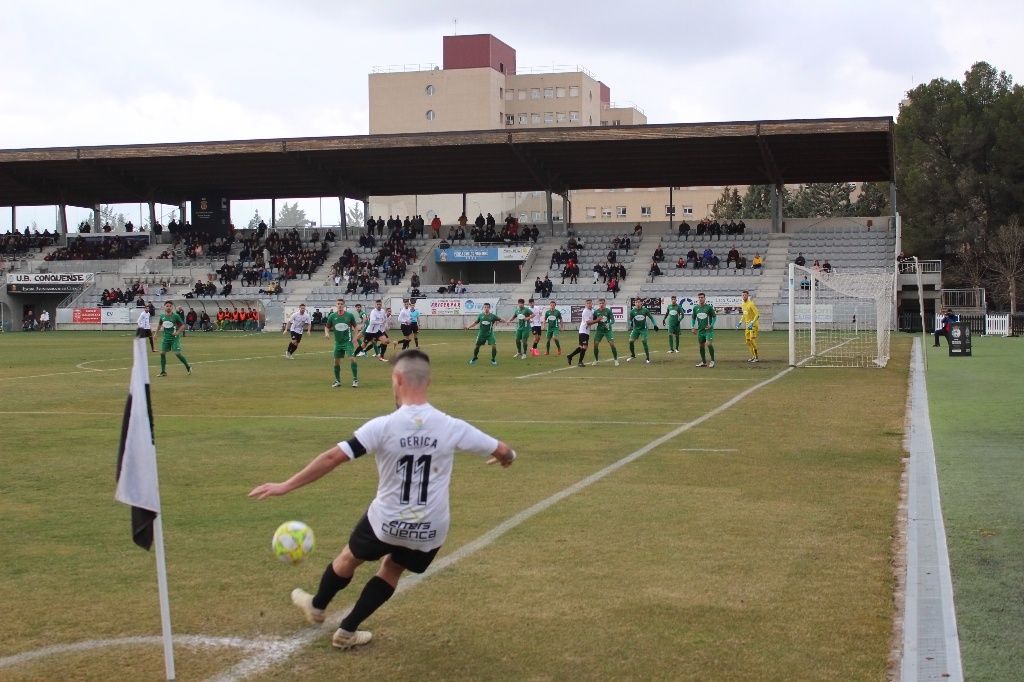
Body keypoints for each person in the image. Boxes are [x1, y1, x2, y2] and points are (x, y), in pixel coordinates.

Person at [248, 349, 516, 650]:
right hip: (430, 528)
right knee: (392, 569)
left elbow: (333, 457)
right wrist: (507, 458)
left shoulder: (383, 426)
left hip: (386, 521)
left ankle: (318, 606)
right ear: (428, 381)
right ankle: (347, 631)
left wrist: (286, 485)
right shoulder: (452, 426)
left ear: (397, 379)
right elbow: (503, 451)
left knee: (349, 557)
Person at [325, 299, 361, 388]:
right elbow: (327, 327)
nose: (340, 305)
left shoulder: (349, 315)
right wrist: (327, 333)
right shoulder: (332, 316)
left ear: (344, 305)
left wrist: (355, 338)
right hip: (338, 343)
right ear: (336, 305)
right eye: (338, 304)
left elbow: (356, 327)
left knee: (352, 358)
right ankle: (337, 381)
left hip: (347, 342)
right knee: (336, 362)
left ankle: (355, 380)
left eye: (341, 304)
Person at [157, 300, 192, 376]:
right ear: (164, 307)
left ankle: (188, 366)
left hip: (174, 338)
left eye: (170, 306)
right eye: (167, 306)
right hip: (166, 338)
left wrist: (177, 332)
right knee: (162, 353)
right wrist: (156, 334)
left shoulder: (176, 316)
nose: (168, 307)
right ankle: (163, 372)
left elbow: (183, 325)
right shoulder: (162, 316)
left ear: (172, 307)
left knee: (177, 353)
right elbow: (159, 324)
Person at [590, 298, 620, 366]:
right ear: (598, 304)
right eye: (600, 303)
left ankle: (615, 360)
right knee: (595, 344)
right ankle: (596, 360)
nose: (601, 304)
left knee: (612, 344)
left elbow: (613, 320)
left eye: (603, 303)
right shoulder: (596, 312)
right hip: (599, 330)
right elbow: (594, 320)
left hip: (607, 330)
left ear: (605, 304)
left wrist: (609, 324)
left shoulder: (608, 311)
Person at [566, 299, 594, 367]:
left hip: (586, 332)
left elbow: (594, 317)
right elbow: (588, 322)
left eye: (590, 303)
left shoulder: (592, 311)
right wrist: (598, 320)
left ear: (592, 304)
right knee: (585, 347)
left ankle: (570, 356)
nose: (589, 304)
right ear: (585, 305)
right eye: (588, 303)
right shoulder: (585, 311)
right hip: (583, 331)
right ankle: (580, 362)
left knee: (581, 347)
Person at [691, 292, 717, 368]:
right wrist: (692, 327)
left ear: (705, 298)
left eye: (702, 297)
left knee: (708, 344)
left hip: (708, 330)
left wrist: (711, 325)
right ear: (698, 298)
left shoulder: (709, 307)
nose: (700, 299)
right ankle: (704, 362)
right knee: (701, 346)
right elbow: (693, 318)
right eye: (699, 297)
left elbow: (714, 317)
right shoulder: (696, 308)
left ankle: (712, 361)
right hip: (700, 330)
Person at [739, 290, 760, 362]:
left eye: (745, 295)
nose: (743, 296)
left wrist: (752, 322)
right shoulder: (742, 304)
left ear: (748, 296)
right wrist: (740, 321)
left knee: (752, 340)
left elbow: (757, 314)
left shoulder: (751, 304)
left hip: (753, 325)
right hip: (747, 325)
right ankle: (753, 356)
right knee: (748, 341)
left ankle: (756, 357)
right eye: (742, 295)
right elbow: (744, 314)